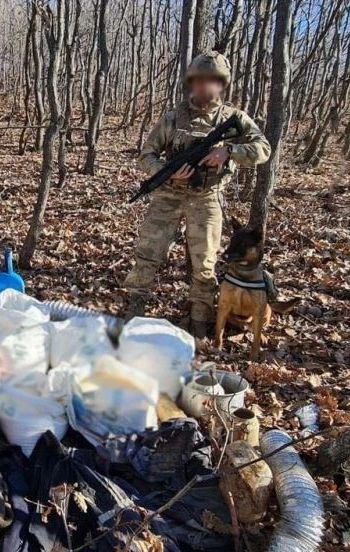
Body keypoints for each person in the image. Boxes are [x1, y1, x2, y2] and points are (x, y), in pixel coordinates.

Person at [123, 51, 271, 339]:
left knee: (205, 262)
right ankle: (134, 309)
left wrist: (229, 151)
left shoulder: (234, 118)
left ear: (222, 83)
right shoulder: (173, 117)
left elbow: (263, 149)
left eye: (212, 81)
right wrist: (165, 170)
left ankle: (200, 322)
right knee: (148, 253)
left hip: (207, 196)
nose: (205, 86)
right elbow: (146, 155)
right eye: (199, 80)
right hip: (168, 194)